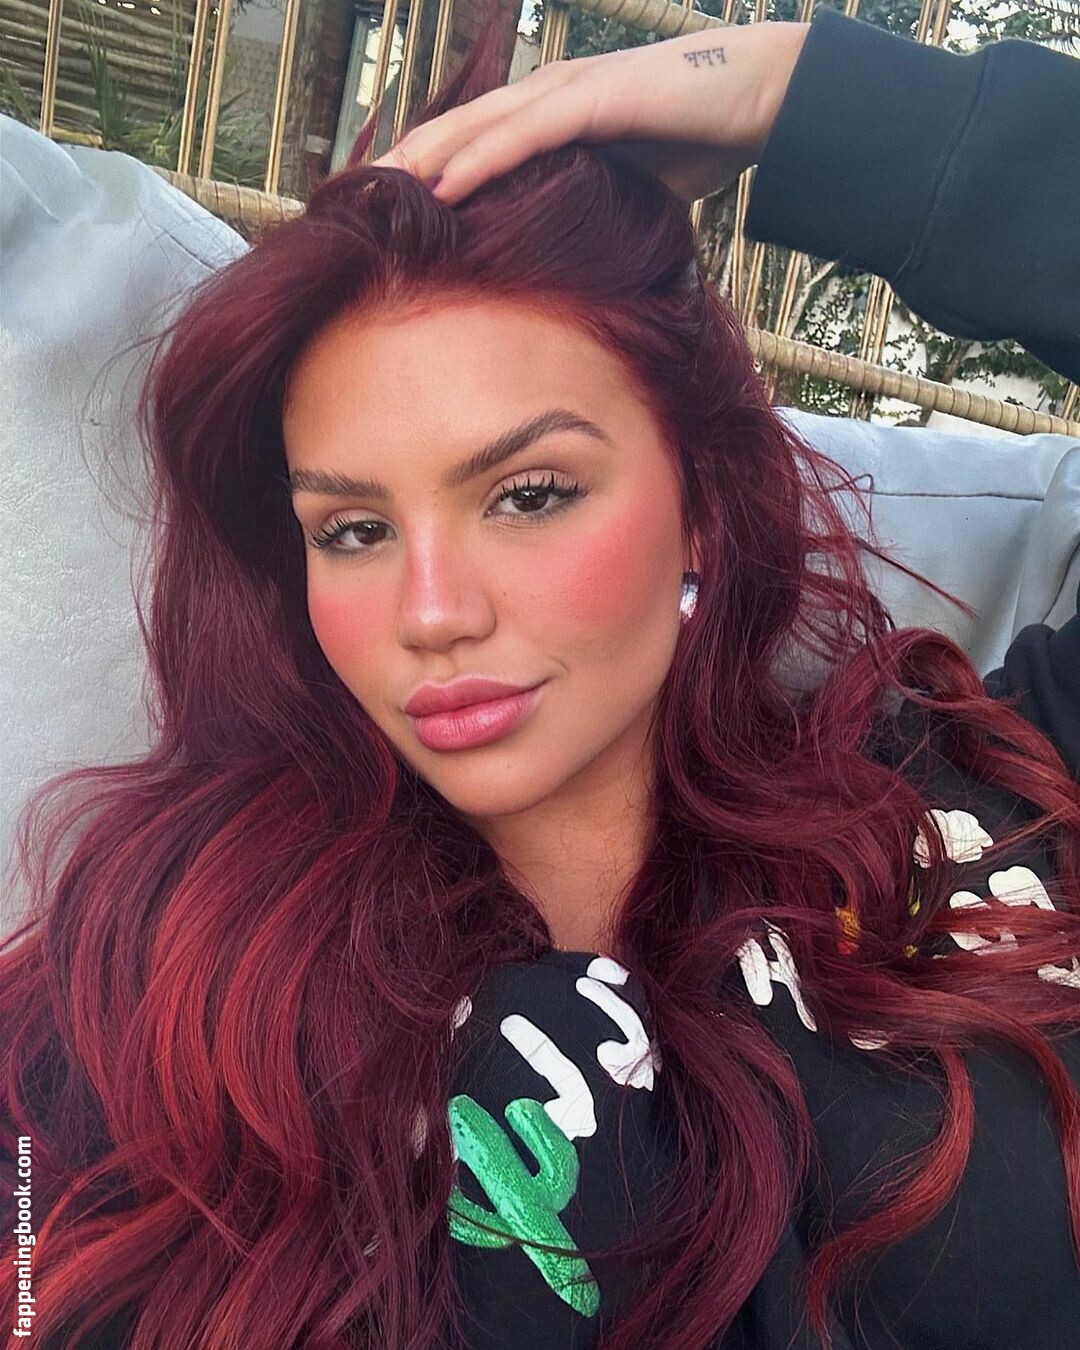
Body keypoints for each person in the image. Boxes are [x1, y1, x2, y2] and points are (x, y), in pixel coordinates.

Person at [1, 5, 1077, 1349]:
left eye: (529, 493)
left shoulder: (979, 793)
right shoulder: (165, 999)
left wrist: (789, 87)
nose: (432, 612)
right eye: (355, 529)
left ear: (702, 506)